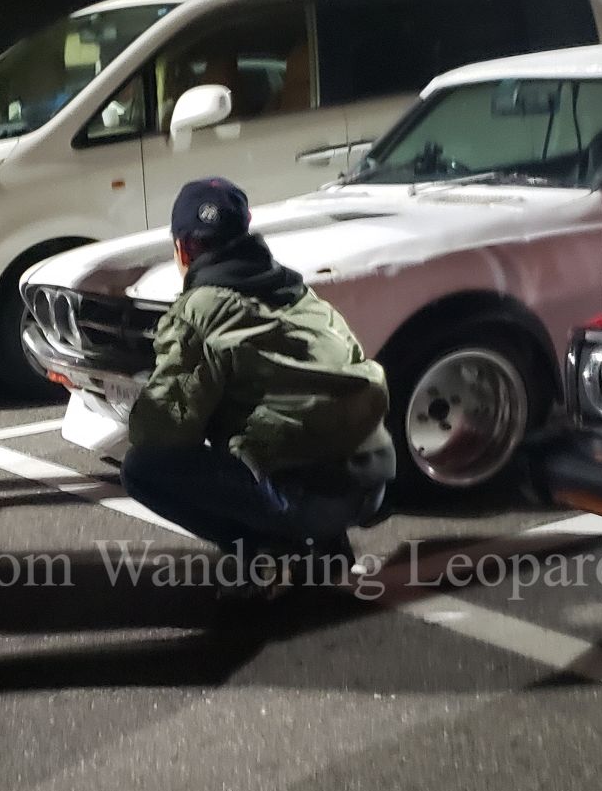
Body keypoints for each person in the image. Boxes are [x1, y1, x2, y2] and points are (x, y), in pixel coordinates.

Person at [121, 178, 396, 596]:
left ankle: (267, 550)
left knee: (143, 468)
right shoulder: (299, 293)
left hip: (302, 498)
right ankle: (323, 546)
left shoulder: (201, 309)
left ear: (183, 248)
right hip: (370, 483)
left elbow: (161, 429)